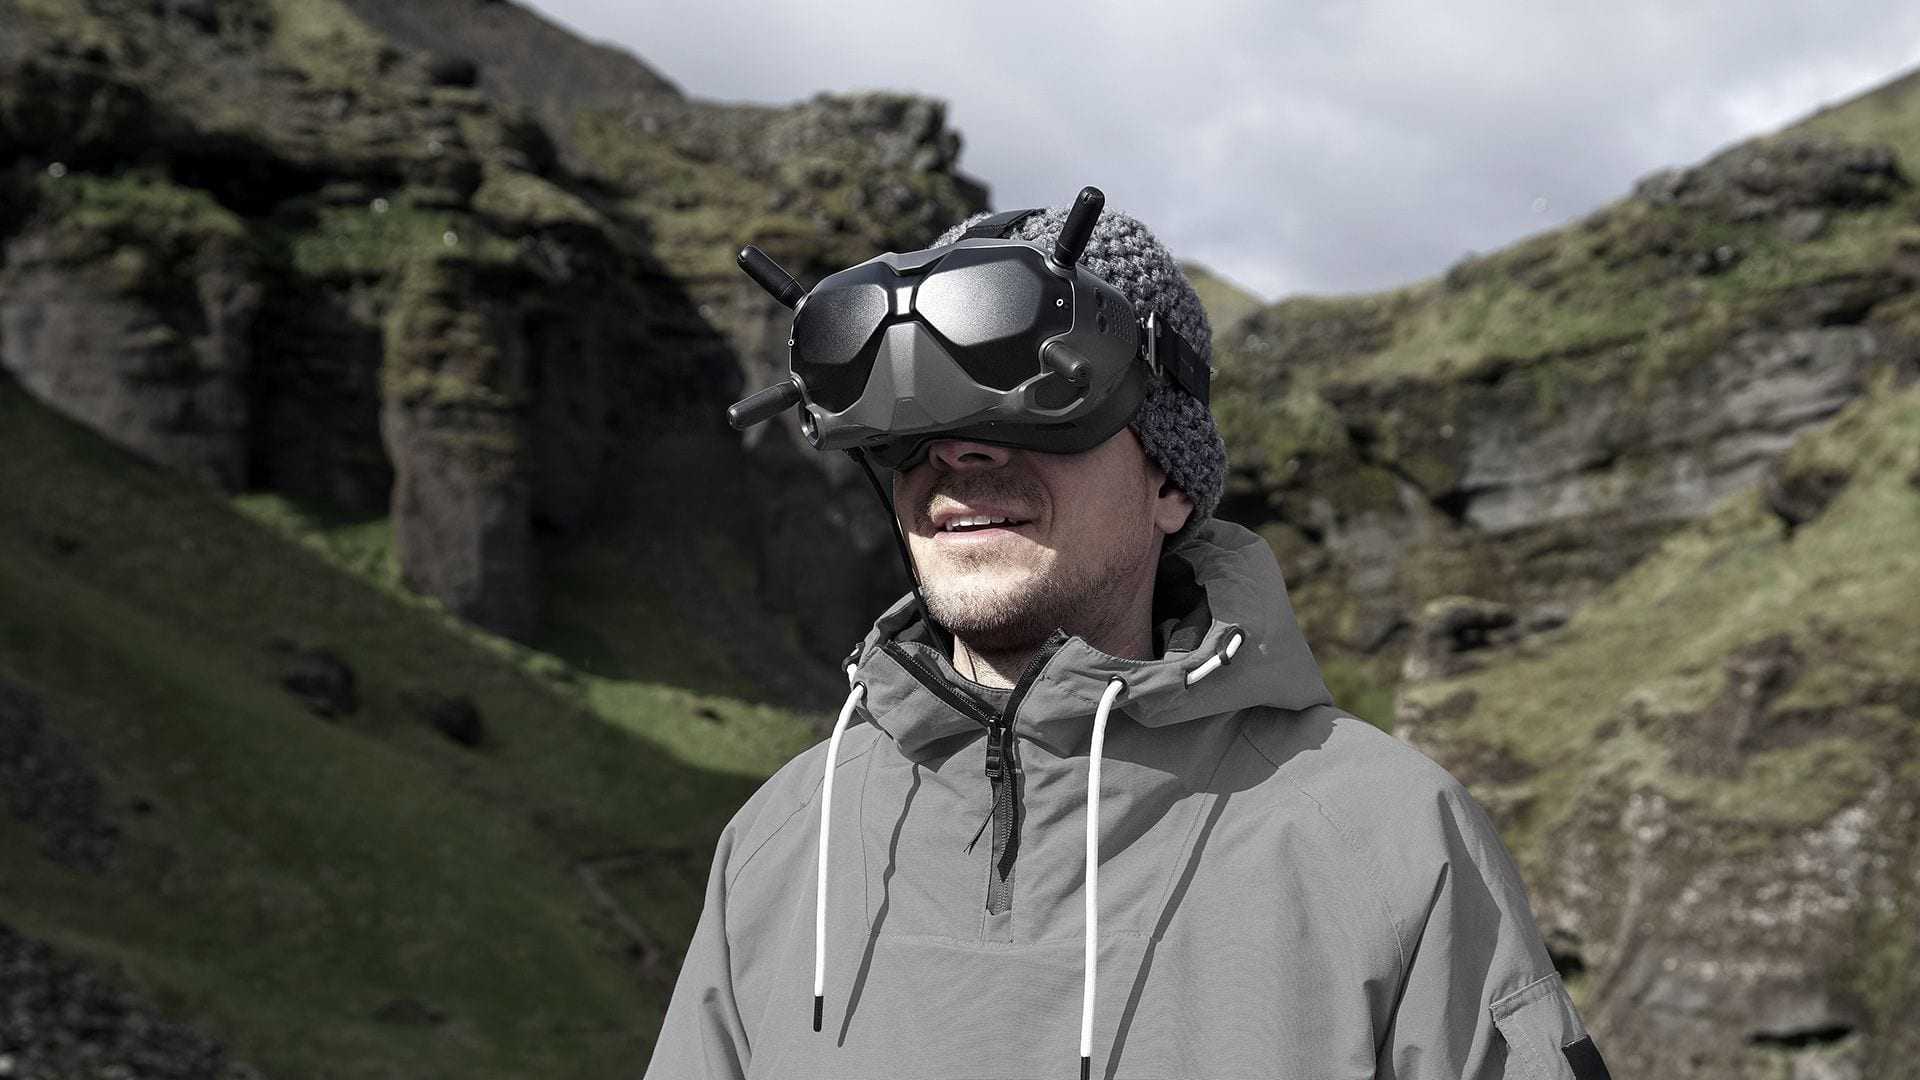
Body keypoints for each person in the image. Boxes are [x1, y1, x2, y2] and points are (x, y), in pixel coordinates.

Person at [643, 198, 1612, 1079]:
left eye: (1040, 401)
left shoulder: (1392, 844)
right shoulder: (781, 843)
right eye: (914, 423)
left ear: (1169, 482)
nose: (959, 454)